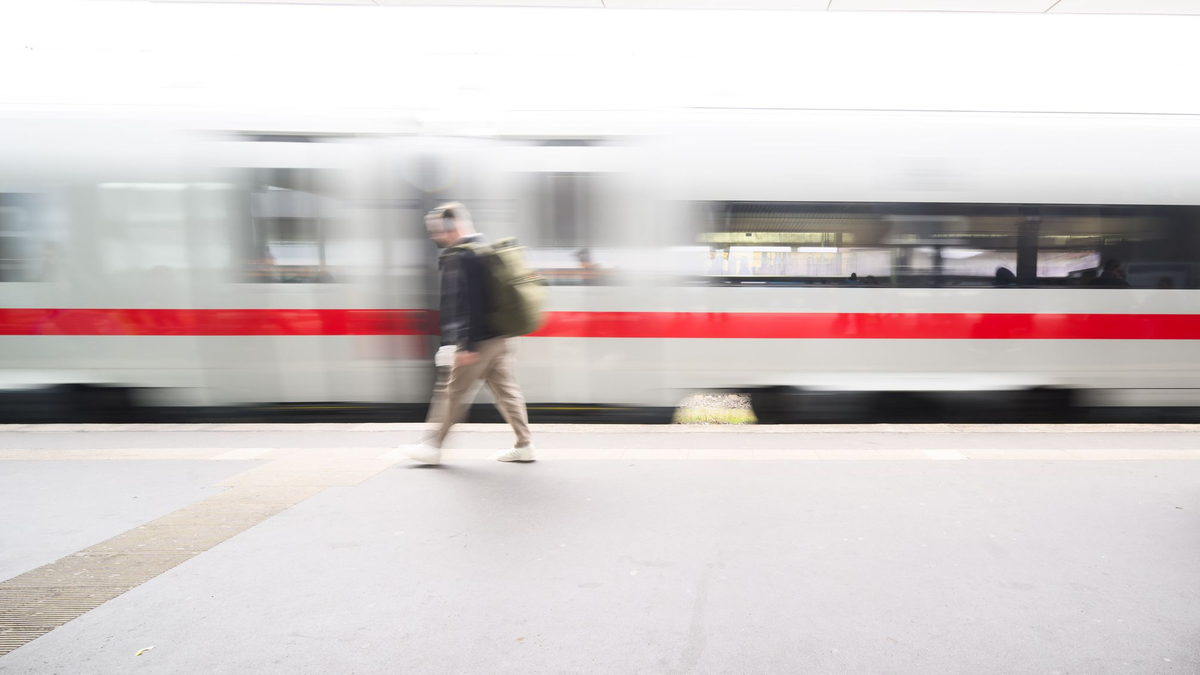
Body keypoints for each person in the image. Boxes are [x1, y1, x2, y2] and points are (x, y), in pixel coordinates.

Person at [402, 203, 535, 465]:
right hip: (502, 338)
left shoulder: (462, 256)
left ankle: (432, 446)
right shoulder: (483, 247)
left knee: (451, 392)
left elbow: (467, 304)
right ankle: (525, 445)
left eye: (437, 230)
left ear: (452, 226)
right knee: (507, 393)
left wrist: (464, 346)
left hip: (479, 341)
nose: (434, 235)